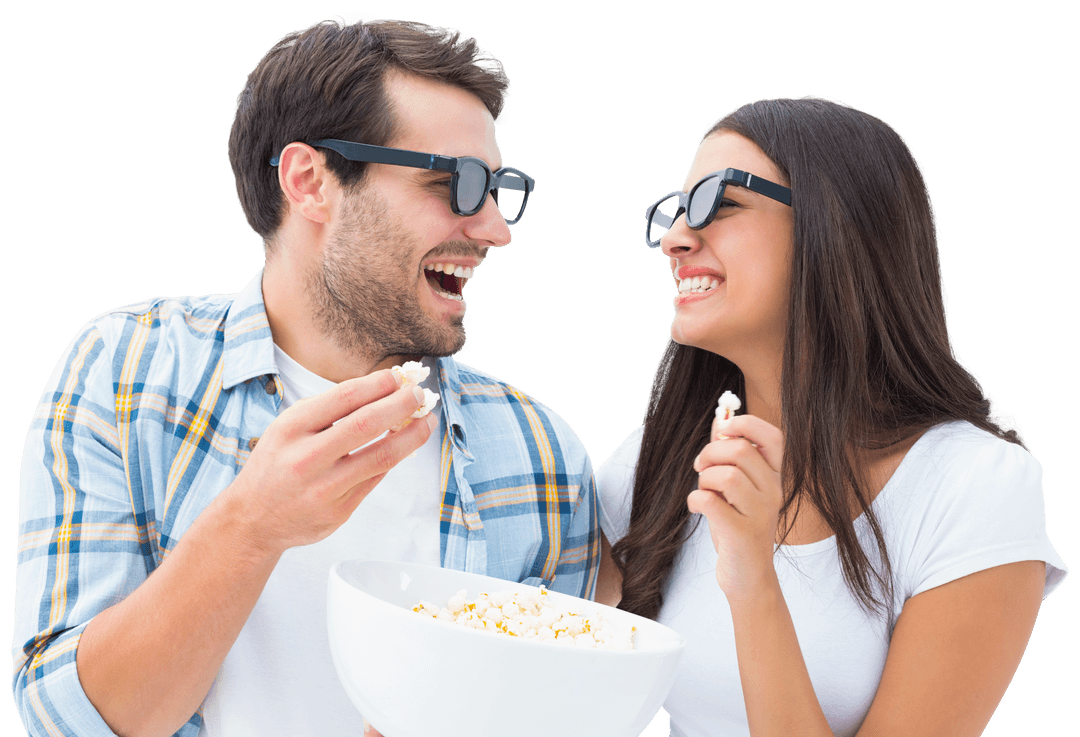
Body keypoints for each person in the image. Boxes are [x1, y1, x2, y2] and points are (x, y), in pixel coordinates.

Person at [12, 16, 599, 737]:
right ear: (310, 181)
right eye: (457, 182)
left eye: (498, 187)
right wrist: (250, 525)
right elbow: (65, 719)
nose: (495, 229)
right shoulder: (125, 374)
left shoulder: (542, 456)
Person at [594, 96, 1068, 737]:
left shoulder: (975, 487)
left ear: (838, 229)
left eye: (718, 203)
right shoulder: (658, 459)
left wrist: (752, 578)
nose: (677, 237)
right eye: (675, 210)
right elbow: (538, 667)